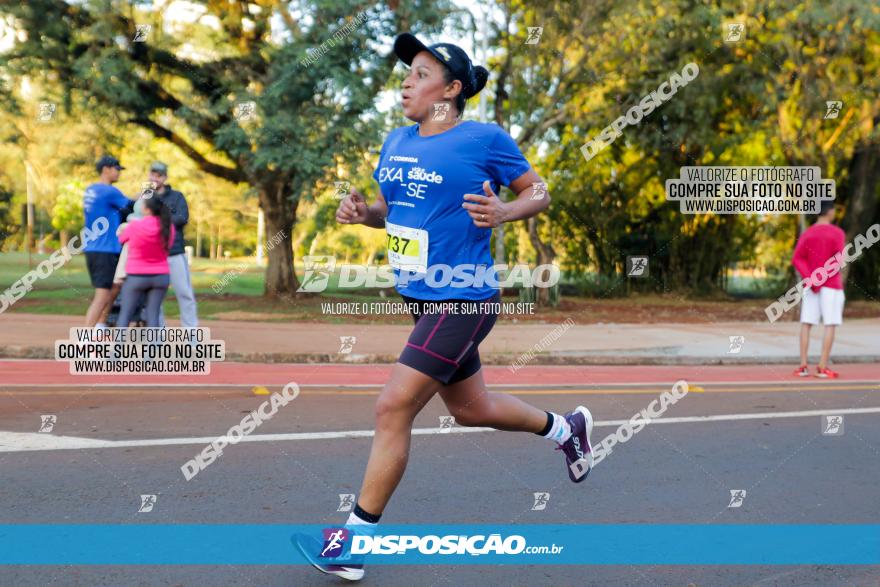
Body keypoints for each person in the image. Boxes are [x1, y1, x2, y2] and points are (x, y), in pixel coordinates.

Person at [294, 33, 595, 582]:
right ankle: (565, 428)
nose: (407, 80)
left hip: (464, 297)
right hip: (421, 297)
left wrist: (506, 211)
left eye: (422, 72)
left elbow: (540, 190)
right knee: (470, 408)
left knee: (392, 407)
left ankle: (356, 542)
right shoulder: (395, 141)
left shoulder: (485, 138)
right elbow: (398, 211)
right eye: (407, 71)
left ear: (452, 89)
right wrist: (365, 214)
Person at [792, 200, 846, 378]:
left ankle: (803, 366)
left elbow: (797, 259)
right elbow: (838, 261)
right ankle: (822, 367)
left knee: (806, 324)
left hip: (812, 286)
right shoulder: (837, 233)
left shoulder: (808, 233)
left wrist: (812, 279)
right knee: (830, 324)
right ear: (829, 212)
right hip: (831, 286)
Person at [83, 155, 133, 328]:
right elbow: (134, 206)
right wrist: (147, 194)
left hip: (93, 248)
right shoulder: (109, 191)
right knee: (102, 296)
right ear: (106, 169)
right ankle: (86, 337)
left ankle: (100, 327)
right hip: (105, 249)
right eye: (117, 169)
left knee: (113, 287)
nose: (119, 173)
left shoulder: (91, 190)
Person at [147, 162, 199, 328]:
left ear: (165, 177)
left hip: (174, 252)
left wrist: (157, 221)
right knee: (155, 297)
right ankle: (158, 336)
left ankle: (191, 336)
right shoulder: (146, 196)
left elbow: (182, 218)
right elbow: (135, 216)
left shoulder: (176, 196)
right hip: (153, 254)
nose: (156, 177)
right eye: (153, 174)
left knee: (184, 293)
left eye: (159, 175)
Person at [115, 196, 175, 327]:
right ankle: (154, 346)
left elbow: (121, 239)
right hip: (161, 276)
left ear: (147, 210)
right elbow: (169, 246)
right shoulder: (168, 227)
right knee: (153, 314)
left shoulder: (135, 226)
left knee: (125, 313)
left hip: (136, 276)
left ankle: (118, 347)